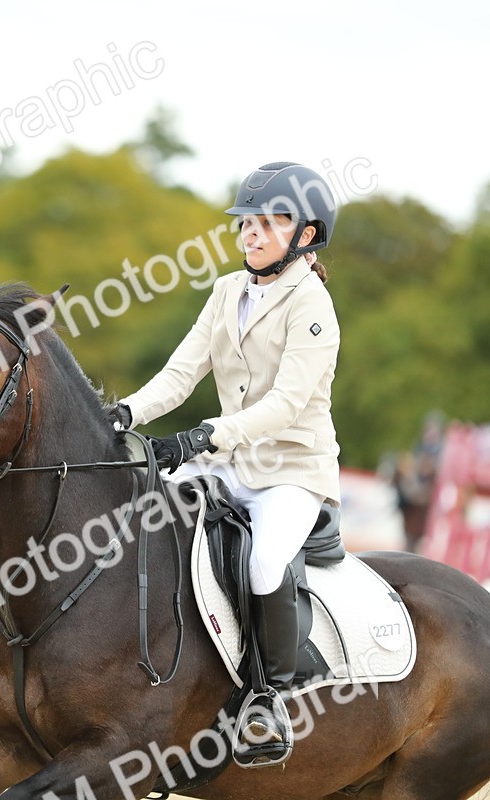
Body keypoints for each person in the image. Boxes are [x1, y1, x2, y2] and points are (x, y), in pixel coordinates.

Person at [109, 162, 340, 767]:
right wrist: (125, 414)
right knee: (147, 515)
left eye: (271, 223)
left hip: (292, 470)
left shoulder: (312, 307)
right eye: (248, 222)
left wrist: (205, 437)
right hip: (232, 460)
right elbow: (182, 375)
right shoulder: (225, 292)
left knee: (265, 561)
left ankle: (269, 695)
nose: (253, 234)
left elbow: (288, 406)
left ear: (306, 236)